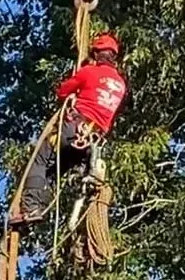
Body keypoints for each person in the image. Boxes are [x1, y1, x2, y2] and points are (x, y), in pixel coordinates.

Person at [9, 34, 127, 226]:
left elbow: (62, 92)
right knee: (53, 172)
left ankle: (31, 208)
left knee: (39, 160)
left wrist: (80, 78)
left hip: (73, 129)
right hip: (91, 144)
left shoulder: (89, 72)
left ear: (96, 54)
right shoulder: (120, 84)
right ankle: (37, 209)